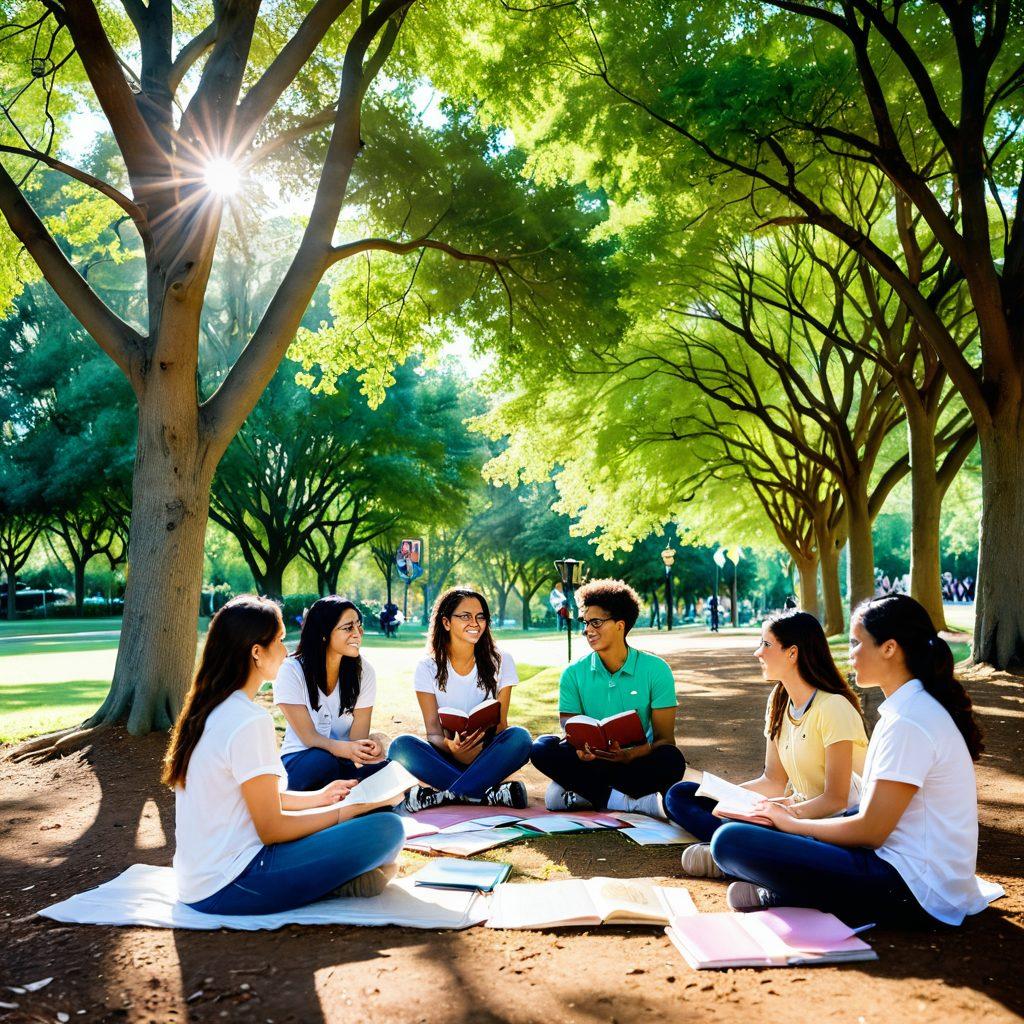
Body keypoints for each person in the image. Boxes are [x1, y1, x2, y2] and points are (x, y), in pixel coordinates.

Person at [711, 593, 993, 927]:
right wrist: (792, 819)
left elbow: (871, 831)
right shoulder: (903, 711)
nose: (850, 653)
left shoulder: (910, 721)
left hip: (913, 888)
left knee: (730, 841)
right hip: (894, 866)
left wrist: (794, 823)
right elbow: (868, 819)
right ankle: (795, 892)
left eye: (857, 643)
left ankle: (794, 894)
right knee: (748, 834)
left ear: (889, 648)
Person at [165, 596, 405, 915]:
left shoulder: (210, 711)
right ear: (256, 652)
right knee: (389, 829)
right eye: (278, 640)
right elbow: (272, 828)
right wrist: (350, 810)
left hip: (200, 882)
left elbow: (260, 801)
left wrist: (321, 797)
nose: (285, 649)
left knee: (360, 822)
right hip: (233, 882)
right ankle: (337, 884)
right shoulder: (249, 720)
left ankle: (337, 879)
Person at [666, 609, 867, 878]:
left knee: (731, 836)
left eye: (766, 644)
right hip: (788, 814)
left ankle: (741, 857)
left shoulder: (833, 707)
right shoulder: (779, 699)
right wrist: (729, 798)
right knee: (681, 795)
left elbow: (836, 800)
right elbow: (773, 780)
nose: (757, 653)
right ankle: (749, 857)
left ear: (792, 653)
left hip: (830, 825)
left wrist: (783, 813)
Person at [530, 578, 686, 818]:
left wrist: (629, 755)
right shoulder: (573, 673)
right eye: (585, 622)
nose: (587, 630)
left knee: (672, 760)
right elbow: (569, 729)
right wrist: (581, 749)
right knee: (541, 748)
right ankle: (629, 802)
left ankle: (588, 793)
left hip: (635, 762)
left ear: (620, 625)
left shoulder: (656, 669)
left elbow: (665, 740)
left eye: (596, 622)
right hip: (591, 762)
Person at [389, 587, 533, 811]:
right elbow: (433, 733)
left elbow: (501, 725)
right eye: (465, 616)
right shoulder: (427, 667)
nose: (475, 623)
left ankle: (445, 795)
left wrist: (478, 745)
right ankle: (484, 795)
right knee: (400, 746)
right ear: (446, 622)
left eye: (480, 617)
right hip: (446, 755)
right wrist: (452, 747)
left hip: (487, 755)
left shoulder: (502, 660)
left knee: (520, 738)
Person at [273, 596, 389, 792]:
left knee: (388, 768)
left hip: (345, 761)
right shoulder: (291, 670)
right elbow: (309, 737)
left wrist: (368, 748)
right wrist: (347, 751)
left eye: (358, 626)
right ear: (324, 633)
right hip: (302, 758)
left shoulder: (365, 672)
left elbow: (356, 738)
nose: (358, 633)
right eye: (348, 627)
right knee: (324, 763)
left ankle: (353, 795)